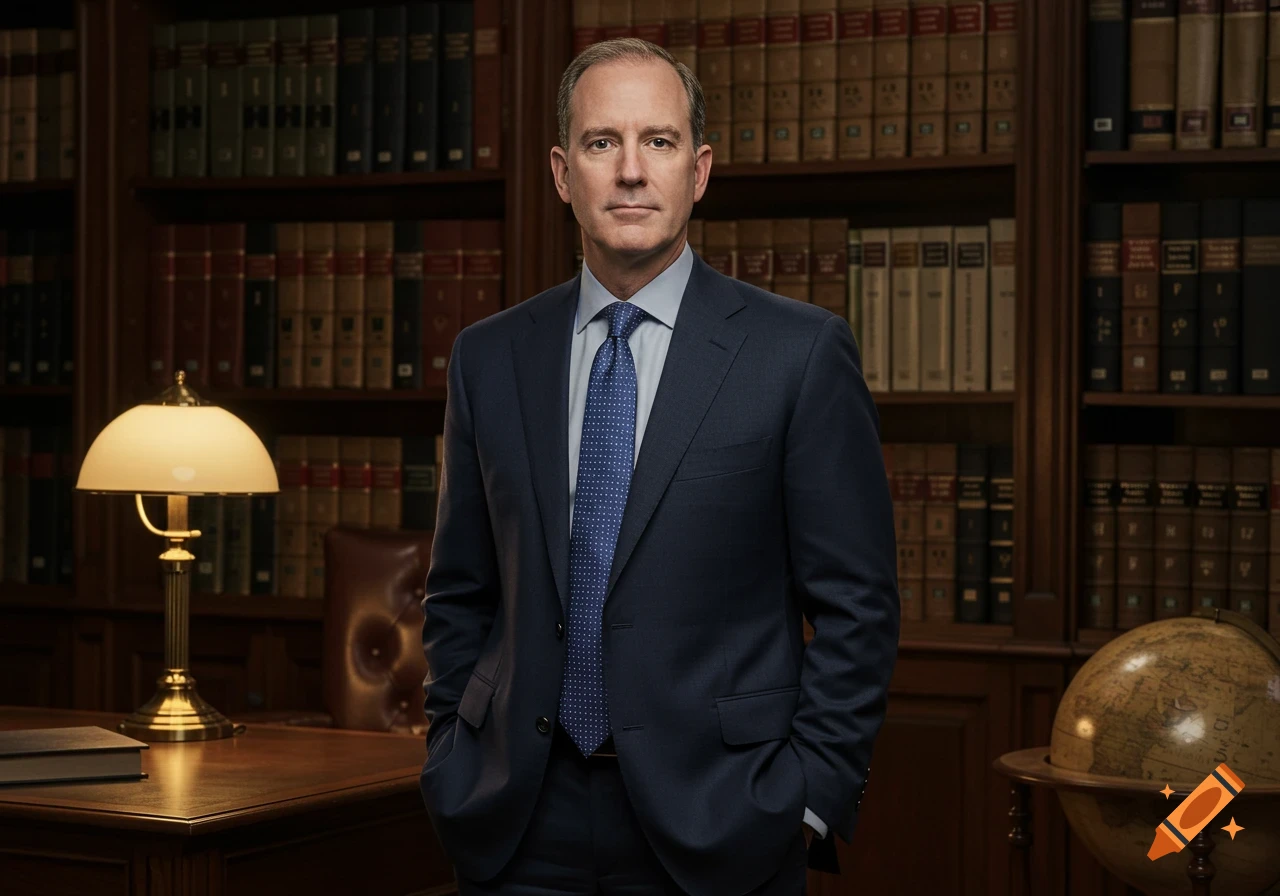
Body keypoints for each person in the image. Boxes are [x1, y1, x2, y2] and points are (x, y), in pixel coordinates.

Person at [419, 37, 900, 896]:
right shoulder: (489, 358)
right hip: (517, 819)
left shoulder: (797, 354)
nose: (632, 171)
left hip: (725, 821)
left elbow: (857, 606)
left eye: (660, 141)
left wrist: (807, 800)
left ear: (699, 171)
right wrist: (452, 757)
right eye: (603, 142)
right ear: (563, 174)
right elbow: (461, 588)